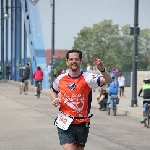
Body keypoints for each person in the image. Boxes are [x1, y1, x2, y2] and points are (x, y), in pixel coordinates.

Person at [50, 49, 112, 150]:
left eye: (76, 59)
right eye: (71, 59)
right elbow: (53, 91)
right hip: (65, 122)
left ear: (80, 61)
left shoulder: (88, 78)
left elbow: (108, 80)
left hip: (82, 123)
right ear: (67, 61)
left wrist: (102, 70)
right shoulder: (60, 78)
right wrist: (55, 99)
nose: (74, 61)